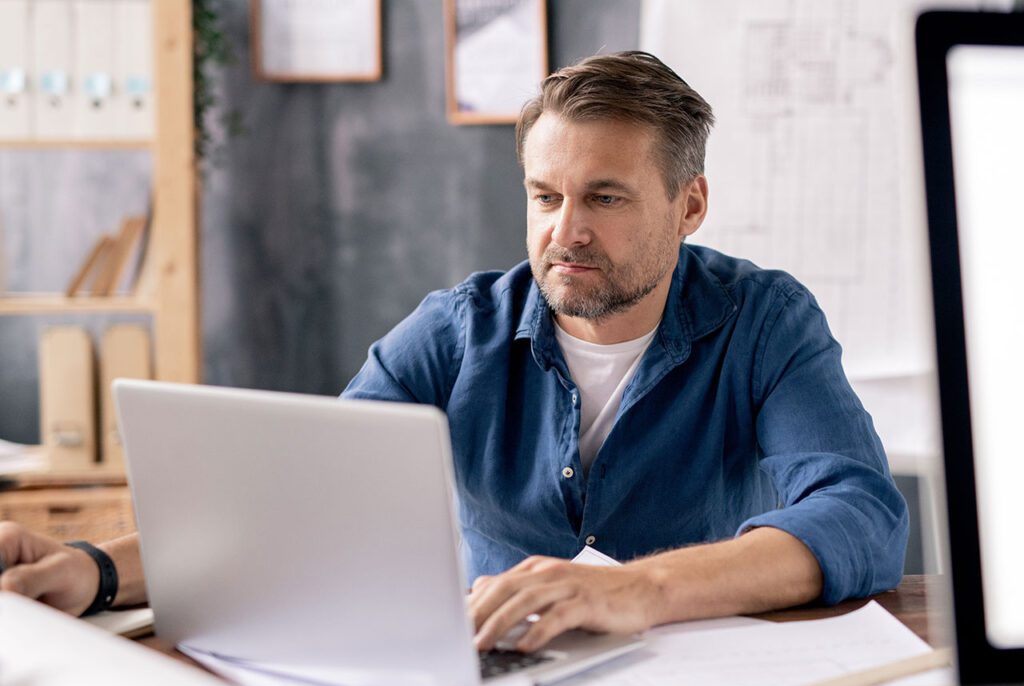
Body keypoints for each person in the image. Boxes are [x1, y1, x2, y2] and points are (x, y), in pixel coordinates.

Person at [0, 51, 908, 654]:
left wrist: (637, 591)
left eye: (606, 198)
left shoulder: (765, 322)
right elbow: (299, 495)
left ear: (691, 205)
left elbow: (860, 516)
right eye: (545, 195)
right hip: (484, 674)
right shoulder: (458, 327)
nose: (566, 232)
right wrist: (101, 568)